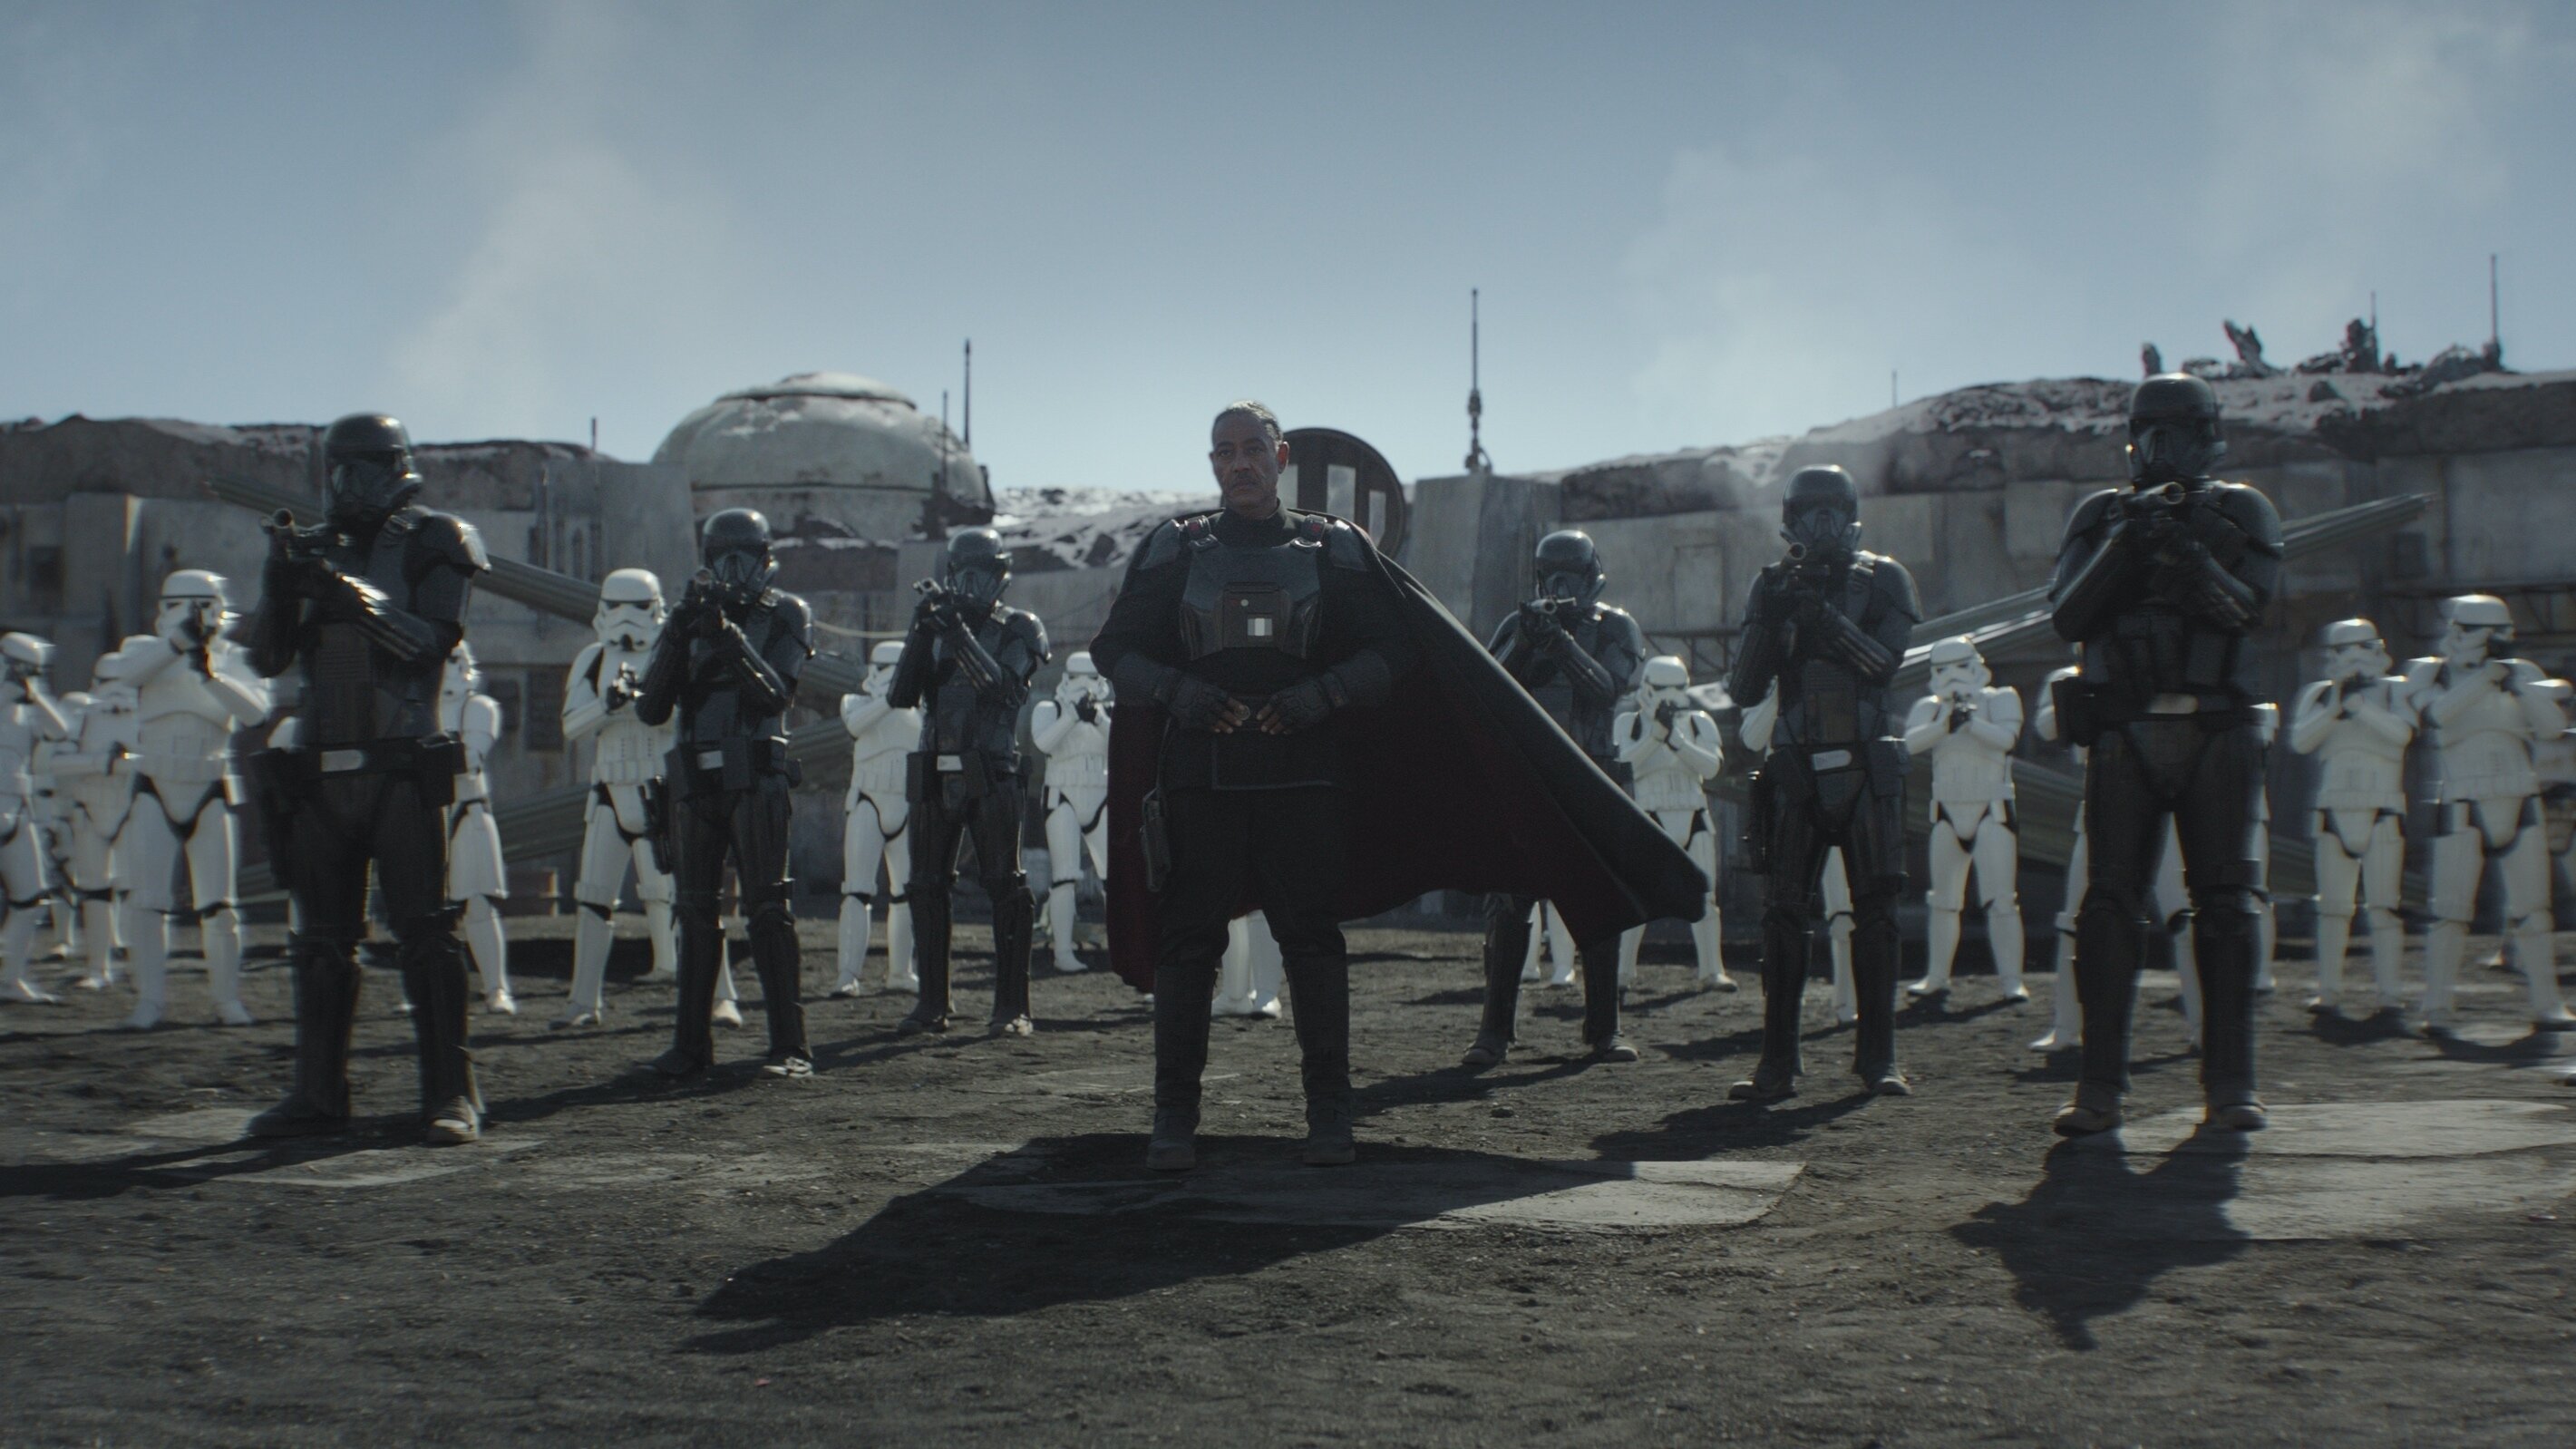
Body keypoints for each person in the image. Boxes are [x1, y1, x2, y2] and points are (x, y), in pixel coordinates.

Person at [1093, 401, 1705, 1173]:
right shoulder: (1175, 549)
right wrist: (1178, 692)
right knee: (1188, 944)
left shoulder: (1332, 548)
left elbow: (1395, 651)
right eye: (1224, 452)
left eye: (1252, 449)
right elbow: (1117, 649)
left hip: (1303, 777)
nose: (1238, 463)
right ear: (1212, 462)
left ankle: (1329, 1114)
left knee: (1311, 942)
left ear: (1279, 457)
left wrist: (1323, 694)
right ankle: (1173, 1118)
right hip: (1200, 780)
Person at [2046, 374, 2281, 1135]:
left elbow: (2243, 611)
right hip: (2125, 731)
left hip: (2214, 729)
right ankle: (2099, 1087)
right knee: (2107, 909)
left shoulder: (2240, 510)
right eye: (2150, 432)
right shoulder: (2100, 515)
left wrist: (2185, 553)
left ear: (2208, 436)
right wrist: (2126, 543)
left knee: (2225, 907)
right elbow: (2068, 616)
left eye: (2178, 431)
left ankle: (2231, 1083)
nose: (2162, 447)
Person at [244, 413, 489, 1143]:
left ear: (394, 467)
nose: (345, 483)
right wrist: (279, 585)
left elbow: (429, 645)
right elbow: (267, 660)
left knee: (427, 934)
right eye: (336, 468)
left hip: (400, 765)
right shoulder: (317, 546)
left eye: (360, 467)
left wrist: (346, 594)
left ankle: (452, 1094)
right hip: (320, 770)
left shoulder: (437, 538)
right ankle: (317, 1092)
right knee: (320, 941)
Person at [1725, 465, 1922, 1102]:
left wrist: (1825, 620)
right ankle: (1777, 1061)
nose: (1823, 525)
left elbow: (1883, 665)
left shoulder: (1885, 578)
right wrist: (1774, 619)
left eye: (1832, 511)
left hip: (1864, 763)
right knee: (1782, 917)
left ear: (1851, 515)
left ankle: (1879, 1058)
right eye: (1811, 514)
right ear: (1790, 522)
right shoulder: (1771, 585)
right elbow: (1744, 688)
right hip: (1797, 766)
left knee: (1877, 917)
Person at [636, 509, 816, 1078]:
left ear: (765, 559)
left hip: (755, 773)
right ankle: (690, 1047)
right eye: (722, 559)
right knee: (693, 911)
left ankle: (790, 1046)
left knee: (768, 908)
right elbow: (650, 707)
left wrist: (726, 637)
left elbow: (773, 696)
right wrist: (680, 633)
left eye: (744, 558)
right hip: (694, 776)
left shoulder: (786, 612)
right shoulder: (687, 618)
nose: (733, 570)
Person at [1466, 530, 1648, 1065]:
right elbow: (1486, 689)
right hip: (1528, 777)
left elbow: (1606, 690)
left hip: (1591, 774)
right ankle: (1494, 1032)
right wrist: (1527, 639)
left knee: (1601, 901)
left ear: (1591, 576)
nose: (1563, 588)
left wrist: (1561, 645)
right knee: (1508, 904)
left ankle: (1605, 1028)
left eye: (1572, 575)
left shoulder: (1614, 626)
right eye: (1554, 577)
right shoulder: (1516, 625)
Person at [557, 568, 744, 1028]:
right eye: (616, 605)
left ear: (657, 607)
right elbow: (571, 726)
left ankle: (722, 997)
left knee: (694, 898)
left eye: (638, 606)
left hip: (665, 790)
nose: (627, 617)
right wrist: (608, 704)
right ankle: (583, 1002)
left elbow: (689, 717)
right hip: (609, 792)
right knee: (593, 899)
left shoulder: (674, 653)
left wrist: (643, 701)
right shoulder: (593, 659)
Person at [888, 528, 1048, 1035]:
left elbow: (1001, 690)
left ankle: (1012, 1007)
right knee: (925, 885)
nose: (972, 584)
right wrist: (921, 631)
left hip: (991, 769)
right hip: (934, 767)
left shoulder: (1021, 626)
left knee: (1005, 884)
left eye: (983, 573)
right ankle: (932, 1003)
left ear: (1001, 575)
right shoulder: (938, 627)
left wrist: (956, 633)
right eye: (963, 574)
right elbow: (899, 696)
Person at [2403, 595, 2574, 1034]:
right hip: (2462, 799)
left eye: (2501, 631)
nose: (2498, 639)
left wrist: (2517, 684)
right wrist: (2486, 677)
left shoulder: (2522, 673)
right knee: (2450, 911)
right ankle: (2437, 1005)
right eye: (2486, 631)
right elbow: (2436, 716)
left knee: (2534, 910)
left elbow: (2552, 728)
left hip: (2520, 796)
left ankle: (2547, 1003)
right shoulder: (2432, 673)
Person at [115, 572, 272, 1029]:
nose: (202, 615)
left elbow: (255, 712)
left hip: (210, 784)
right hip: (156, 782)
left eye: (208, 605)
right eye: (192, 605)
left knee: (220, 905)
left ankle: (226, 1000)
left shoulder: (234, 658)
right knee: (148, 902)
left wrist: (209, 674)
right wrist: (175, 646)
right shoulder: (143, 651)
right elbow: (125, 677)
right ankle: (149, 1001)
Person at [2288, 619, 2412, 1016]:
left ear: (2377, 650)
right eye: (2343, 650)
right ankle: (2330, 991)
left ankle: (2389, 993)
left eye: (2361, 648)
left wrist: (2361, 708)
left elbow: (2402, 736)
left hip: (2382, 808)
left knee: (2384, 907)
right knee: (2333, 908)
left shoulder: (2395, 690)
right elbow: (2300, 741)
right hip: (2334, 808)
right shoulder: (2320, 694)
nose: (2353, 658)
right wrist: (2336, 708)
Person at [1902, 636, 2027, 1001]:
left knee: (2001, 900)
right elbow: (1908, 744)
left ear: (1976, 665)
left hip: (1991, 808)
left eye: (1960, 666)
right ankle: (1937, 976)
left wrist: (1970, 722)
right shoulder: (1929, 708)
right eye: (1943, 669)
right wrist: (1944, 725)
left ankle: (2012, 980)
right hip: (1947, 811)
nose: (1953, 676)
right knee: (1942, 900)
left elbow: (2007, 739)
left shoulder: (2000, 698)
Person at [1612, 656, 1730, 990]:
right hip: (1649, 816)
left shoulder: (1699, 723)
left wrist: (1676, 740)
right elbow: (1624, 767)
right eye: (1662, 688)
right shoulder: (1630, 723)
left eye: (1677, 687)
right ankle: (1622, 973)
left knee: (1705, 898)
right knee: (1636, 898)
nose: (1669, 696)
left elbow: (1711, 768)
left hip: (1693, 814)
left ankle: (1712, 970)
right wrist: (1655, 736)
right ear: (1647, 688)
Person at [831, 640, 920, 997]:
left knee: (906, 893)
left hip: (905, 803)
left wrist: (906, 698)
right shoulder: (855, 702)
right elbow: (855, 726)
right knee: (857, 890)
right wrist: (888, 699)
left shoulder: (920, 709)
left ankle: (900, 972)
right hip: (867, 801)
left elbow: (924, 733)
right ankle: (847, 974)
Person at [439, 644, 514, 1014]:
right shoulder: (413, 708)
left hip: (467, 810)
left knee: (478, 905)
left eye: (452, 659)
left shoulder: (479, 707)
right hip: (424, 813)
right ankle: (426, 991)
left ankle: (495, 988)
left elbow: (469, 759)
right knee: (423, 912)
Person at [1033, 651, 1113, 976]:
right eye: (1078, 677)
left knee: (1113, 877)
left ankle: (1121, 950)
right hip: (1062, 795)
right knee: (1064, 876)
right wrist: (1070, 717)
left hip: (1101, 796)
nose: (1084, 685)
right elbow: (1043, 744)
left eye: (1091, 677)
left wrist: (1098, 719)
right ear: (1066, 678)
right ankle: (1063, 952)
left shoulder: (1109, 712)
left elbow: (1121, 746)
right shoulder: (1049, 709)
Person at [0, 634, 68, 1004]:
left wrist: (35, 694)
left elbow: (60, 730)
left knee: (31, 898)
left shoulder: (26, 706)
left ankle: (9, 978)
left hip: (17, 807)